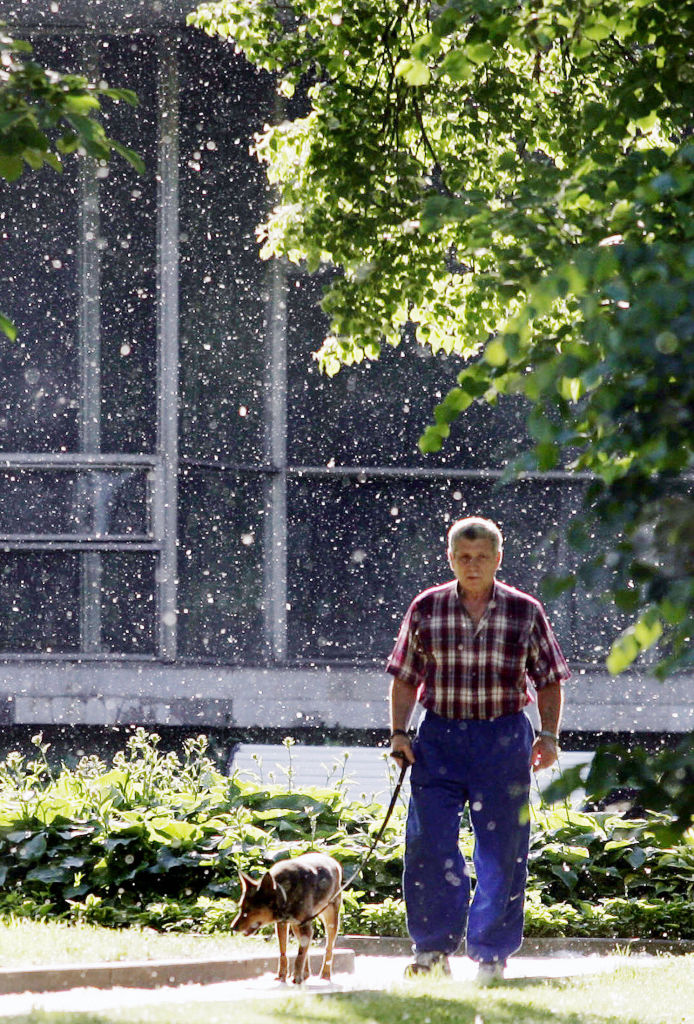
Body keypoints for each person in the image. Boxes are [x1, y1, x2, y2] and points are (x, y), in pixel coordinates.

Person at [387, 516, 570, 984]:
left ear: (497, 559)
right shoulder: (427, 608)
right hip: (439, 737)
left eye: (482, 558)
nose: (472, 566)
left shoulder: (524, 611)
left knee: (503, 848)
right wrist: (399, 734)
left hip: (503, 738)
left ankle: (490, 954)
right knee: (428, 843)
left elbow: (549, 679)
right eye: (464, 557)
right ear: (450, 559)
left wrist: (548, 736)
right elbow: (405, 677)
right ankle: (432, 950)